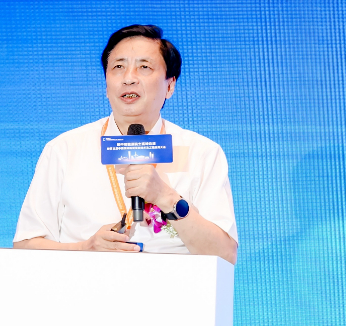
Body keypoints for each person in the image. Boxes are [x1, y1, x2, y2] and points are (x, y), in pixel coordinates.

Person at [13, 25, 238, 264]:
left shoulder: (201, 153)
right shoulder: (65, 149)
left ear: (170, 85)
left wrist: (165, 197)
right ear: (106, 84)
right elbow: (25, 246)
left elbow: (225, 255)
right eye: (118, 67)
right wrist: (84, 249)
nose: (129, 78)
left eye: (144, 67)